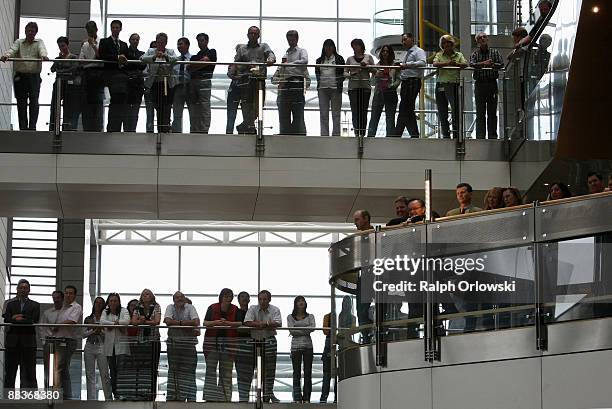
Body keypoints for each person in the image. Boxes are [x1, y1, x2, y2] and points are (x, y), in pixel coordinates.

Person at [1, 21, 49, 130]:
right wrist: (6, 56)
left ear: (36, 32)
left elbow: (42, 50)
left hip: (34, 76)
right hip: (20, 76)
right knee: (21, 103)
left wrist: (44, 56)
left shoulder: (39, 42)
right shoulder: (19, 42)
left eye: (32, 31)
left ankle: (32, 127)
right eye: (28, 30)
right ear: (25, 31)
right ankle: (23, 127)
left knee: (34, 102)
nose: (30, 33)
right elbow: (12, 50)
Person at [232, 26, 276, 134]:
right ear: (247, 35)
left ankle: (246, 125)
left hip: (259, 81)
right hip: (246, 81)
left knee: (259, 105)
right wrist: (246, 66)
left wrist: (271, 60)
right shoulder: (242, 49)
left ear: (259, 35)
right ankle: (249, 126)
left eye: (255, 33)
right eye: (251, 33)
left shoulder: (263, 46)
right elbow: (236, 63)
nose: (253, 35)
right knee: (246, 104)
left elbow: (271, 54)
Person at [204, 288, 241, 402]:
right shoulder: (212, 307)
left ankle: (224, 397)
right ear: (221, 297)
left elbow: (240, 323)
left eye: (229, 296)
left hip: (229, 344)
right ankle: (210, 397)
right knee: (210, 370)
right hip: (212, 344)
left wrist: (228, 324)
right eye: (225, 296)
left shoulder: (236, 309)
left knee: (226, 372)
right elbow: (205, 322)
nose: (227, 298)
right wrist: (216, 323)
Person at [244, 290, 282, 403]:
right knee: (253, 369)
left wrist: (262, 324)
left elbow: (278, 323)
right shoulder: (252, 308)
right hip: (254, 342)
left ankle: (267, 395)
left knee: (270, 370)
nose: (262, 301)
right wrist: (263, 324)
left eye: (265, 299)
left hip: (269, 341)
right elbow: (247, 322)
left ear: (269, 300)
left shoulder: (275, 309)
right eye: (260, 299)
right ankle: (254, 396)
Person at [3, 279, 40, 389]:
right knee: (10, 372)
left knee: (29, 372)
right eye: (21, 287)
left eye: (25, 288)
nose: (23, 290)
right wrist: (16, 318)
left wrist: (16, 318)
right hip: (12, 342)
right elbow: (6, 319)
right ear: (17, 289)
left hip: (28, 342)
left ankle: (30, 399)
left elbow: (33, 320)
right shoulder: (10, 304)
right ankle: (8, 399)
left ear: (29, 290)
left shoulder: (35, 305)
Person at [164, 291, 200, 402]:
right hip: (174, 345)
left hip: (188, 346)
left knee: (189, 372)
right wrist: (183, 324)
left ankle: (191, 398)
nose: (179, 299)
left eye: (181, 297)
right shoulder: (170, 307)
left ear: (184, 299)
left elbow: (196, 322)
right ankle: (172, 398)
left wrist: (178, 324)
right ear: (173, 299)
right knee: (173, 371)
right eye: (177, 297)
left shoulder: (190, 307)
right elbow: (167, 321)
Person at [141, 33, 178, 133]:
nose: (160, 44)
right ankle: (158, 129)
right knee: (157, 106)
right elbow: (142, 59)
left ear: (166, 43)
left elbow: (176, 59)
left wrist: (165, 56)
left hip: (167, 84)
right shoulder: (150, 51)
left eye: (162, 42)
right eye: (158, 42)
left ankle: (165, 128)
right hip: (154, 83)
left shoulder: (170, 51)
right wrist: (154, 57)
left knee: (166, 107)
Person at [273, 30, 308, 135]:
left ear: (297, 39)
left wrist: (290, 64)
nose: (291, 41)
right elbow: (274, 77)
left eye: (293, 39)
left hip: (297, 83)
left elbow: (304, 61)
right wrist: (280, 81)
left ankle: (298, 133)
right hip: (286, 84)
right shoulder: (286, 54)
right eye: (289, 39)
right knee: (285, 112)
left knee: (297, 111)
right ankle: (285, 133)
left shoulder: (302, 51)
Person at [470, 32, 504, 139]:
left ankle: (492, 136)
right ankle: (480, 136)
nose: (483, 39)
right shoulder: (475, 54)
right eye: (480, 38)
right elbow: (472, 64)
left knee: (492, 111)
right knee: (480, 112)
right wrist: (485, 63)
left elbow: (501, 64)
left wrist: (493, 64)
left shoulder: (495, 52)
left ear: (487, 39)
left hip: (492, 83)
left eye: (484, 37)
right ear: (477, 41)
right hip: (479, 84)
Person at [433, 35, 467, 139]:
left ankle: (457, 135)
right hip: (441, 85)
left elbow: (465, 64)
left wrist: (455, 64)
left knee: (455, 111)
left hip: (454, 85)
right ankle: (446, 135)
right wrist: (448, 63)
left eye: (448, 42)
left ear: (452, 44)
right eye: (444, 43)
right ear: (442, 45)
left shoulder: (458, 54)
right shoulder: (439, 54)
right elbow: (435, 64)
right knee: (442, 112)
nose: (446, 44)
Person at [130, 288, 162, 400]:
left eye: (147, 294)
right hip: (141, 341)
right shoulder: (138, 307)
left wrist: (143, 322)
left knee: (153, 368)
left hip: (153, 341)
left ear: (152, 296)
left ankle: (152, 394)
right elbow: (133, 322)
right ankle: (140, 393)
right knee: (141, 367)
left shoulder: (156, 306)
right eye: (143, 294)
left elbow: (157, 321)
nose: (145, 296)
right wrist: (142, 322)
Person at [52, 285, 83, 400]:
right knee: (62, 368)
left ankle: (61, 394)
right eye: (66, 293)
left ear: (74, 295)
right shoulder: (63, 308)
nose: (68, 295)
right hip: (58, 340)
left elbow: (71, 321)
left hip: (68, 340)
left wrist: (56, 326)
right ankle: (64, 394)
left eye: (71, 293)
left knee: (60, 367)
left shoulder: (76, 307)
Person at [99, 20, 129, 132]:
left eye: (117, 27)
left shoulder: (124, 44)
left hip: (122, 77)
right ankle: (112, 127)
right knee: (114, 102)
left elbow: (128, 58)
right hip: (111, 76)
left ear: (120, 29)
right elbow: (103, 55)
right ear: (111, 29)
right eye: (113, 27)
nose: (115, 29)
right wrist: (117, 57)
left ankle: (118, 127)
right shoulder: (104, 42)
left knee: (120, 103)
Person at [395, 33, 426, 137]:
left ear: (412, 39)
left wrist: (407, 65)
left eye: (405, 39)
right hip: (407, 81)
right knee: (406, 107)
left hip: (413, 81)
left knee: (405, 106)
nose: (403, 42)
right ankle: (413, 133)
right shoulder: (408, 53)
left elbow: (422, 63)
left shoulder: (418, 51)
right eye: (402, 40)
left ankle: (398, 133)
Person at [100, 293, 130, 399]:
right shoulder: (105, 311)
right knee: (112, 372)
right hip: (110, 347)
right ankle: (115, 394)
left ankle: (122, 393)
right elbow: (102, 322)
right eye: (111, 301)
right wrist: (115, 324)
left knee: (121, 371)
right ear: (108, 302)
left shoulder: (124, 310)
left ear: (119, 302)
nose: (113, 302)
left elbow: (127, 321)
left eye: (115, 301)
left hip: (121, 347)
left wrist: (113, 324)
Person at [83, 296, 112, 401]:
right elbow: (82, 334)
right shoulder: (88, 318)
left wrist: (101, 331)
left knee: (105, 374)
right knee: (89, 374)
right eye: (97, 303)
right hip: (90, 345)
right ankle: (91, 399)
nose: (98, 305)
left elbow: (110, 334)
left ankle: (108, 398)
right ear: (94, 304)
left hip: (102, 346)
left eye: (101, 303)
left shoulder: (106, 319)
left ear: (104, 305)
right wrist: (93, 331)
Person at [287, 296, 315, 403]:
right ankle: (297, 398)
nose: (301, 302)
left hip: (308, 346)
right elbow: (291, 331)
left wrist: (297, 328)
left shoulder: (310, 316)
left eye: (302, 300)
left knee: (308, 372)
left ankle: (307, 398)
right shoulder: (290, 317)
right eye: (298, 301)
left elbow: (313, 328)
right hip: (295, 347)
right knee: (296, 373)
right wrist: (305, 329)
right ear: (295, 304)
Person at [345, 38, 375, 137]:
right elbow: (345, 72)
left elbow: (375, 71)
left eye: (357, 45)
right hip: (353, 88)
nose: (355, 47)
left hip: (365, 87)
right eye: (353, 45)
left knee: (363, 111)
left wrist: (367, 66)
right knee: (355, 111)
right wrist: (352, 74)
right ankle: (356, 132)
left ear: (361, 46)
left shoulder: (368, 57)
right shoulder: (350, 59)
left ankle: (362, 132)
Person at [367, 45, 399, 137]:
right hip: (379, 93)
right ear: (381, 53)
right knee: (374, 116)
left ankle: (390, 139)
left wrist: (393, 86)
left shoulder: (394, 65)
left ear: (390, 53)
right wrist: (376, 75)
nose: (385, 53)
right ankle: (370, 137)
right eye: (383, 51)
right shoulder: (377, 66)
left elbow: (398, 79)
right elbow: (372, 82)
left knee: (390, 118)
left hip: (391, 92)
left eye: (387, 51)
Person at [49, 36, 80, 131]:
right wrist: (59, 60)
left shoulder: (73, 57)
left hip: (68, 84)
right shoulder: (58, 58)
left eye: (63, 46)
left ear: (67, 45)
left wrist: (61, 69)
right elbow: (52, 69)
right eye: (60, 46)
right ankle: (53, 126)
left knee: (68, 106)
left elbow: (74, 69)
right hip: (58, 83)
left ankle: (67, 127)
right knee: (55, 105)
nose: (61, 48)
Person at [315, 39, 345, 136]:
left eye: (330, 46)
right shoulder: (319, 60)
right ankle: (324, 135)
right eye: (326, 46)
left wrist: (338, 83)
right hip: (322, 89)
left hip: (335, 89)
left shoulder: (339, 59)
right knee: (323, 114)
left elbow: (342, 74)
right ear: (323, 48)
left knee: (336, 113)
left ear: (334, 47)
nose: (328, 48)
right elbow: (317, 74)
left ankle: (336, 135)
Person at [189, 33, 217, 133]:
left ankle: (204, 129)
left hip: (204, 82)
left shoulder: (212, 52)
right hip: (194, 82)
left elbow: (203, 62)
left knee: (204, 106)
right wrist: (202, 63)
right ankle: (195, 129)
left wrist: (196, 65)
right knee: (194, 107)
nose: (200, 43)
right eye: (198, 41)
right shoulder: (195, 56)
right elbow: (189, 68)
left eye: (202, 40)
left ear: (206, 41)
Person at [79, 21, 105, 132]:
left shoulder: (102, 42)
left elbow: (101, 57)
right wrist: (92, 61)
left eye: (92, 30)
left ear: (96, 30)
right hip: (87, 73)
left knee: (98, 102)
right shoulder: (84, 45)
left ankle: (98, 128)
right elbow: (81, 62)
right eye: (88, 31)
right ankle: (87, 128)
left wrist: (94, 46)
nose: (90, 33)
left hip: (98, 73)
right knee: (86, 102)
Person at [40, 290, 64, 389]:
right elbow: (42, 327)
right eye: (54, 298)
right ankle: (47, 391)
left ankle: (58, 391)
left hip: (61, 341)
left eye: (58, 298)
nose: (56, 300)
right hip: (49, 341)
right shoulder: (47, 313)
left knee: (60, 368)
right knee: (48, 367)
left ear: (62, 299)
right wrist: (44, 341)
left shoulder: (67, 312)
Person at [124, 33, 146, 132]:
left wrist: (131, 63)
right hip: (127, 84)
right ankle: (126, 129)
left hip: (138, 84)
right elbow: (126, 66)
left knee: (135, 109)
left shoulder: (142, 53)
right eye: (133, 39)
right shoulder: (124, 51)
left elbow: (142, 66)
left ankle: (132, 129)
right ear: (130, 40)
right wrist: (136, 63)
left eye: (137, 40)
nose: (135, 41)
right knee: (126, 108)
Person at [235, 291, 253, 402]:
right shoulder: (236, 312)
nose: (244, 299)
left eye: (246, 297)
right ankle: (243, 398)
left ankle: (248, 397)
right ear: (238, 300)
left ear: (249, 299)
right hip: (240, 344)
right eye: (242, 297)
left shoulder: (253, 311)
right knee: (241, 372)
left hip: (252, 343)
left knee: (250, 371)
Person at [171, 37, 192, 133]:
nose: (179, 46)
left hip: (189, 87)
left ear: (187, 45)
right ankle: (177, 133)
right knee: (177, 113)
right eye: (178, 44)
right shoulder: (175, 60)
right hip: (178, 87)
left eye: (181, 44)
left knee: (192, 112)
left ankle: (193, 133)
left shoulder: (192, 59)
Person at [226, 46, 242, 134]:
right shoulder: (234, 63)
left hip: (241, 88)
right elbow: (230, 74)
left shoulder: (247, 63)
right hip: (235, 88)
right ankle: (229, 132)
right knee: (231, 114)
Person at [319, 312, 335, 403]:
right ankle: (327, 397)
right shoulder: (328, 316)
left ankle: (324, 397)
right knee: (327, 374)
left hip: (329, 344)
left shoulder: (328, 316)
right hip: (332, 344)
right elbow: (326, 331)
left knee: (327, 374)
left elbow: (326, 331)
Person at [144, 40, 157, 133]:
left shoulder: (163, 58)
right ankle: (149, 131)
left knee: (161, 111)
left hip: (159, 86)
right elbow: (144, 72)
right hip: (149, 86)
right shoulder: (147, 60)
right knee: (149, 113)